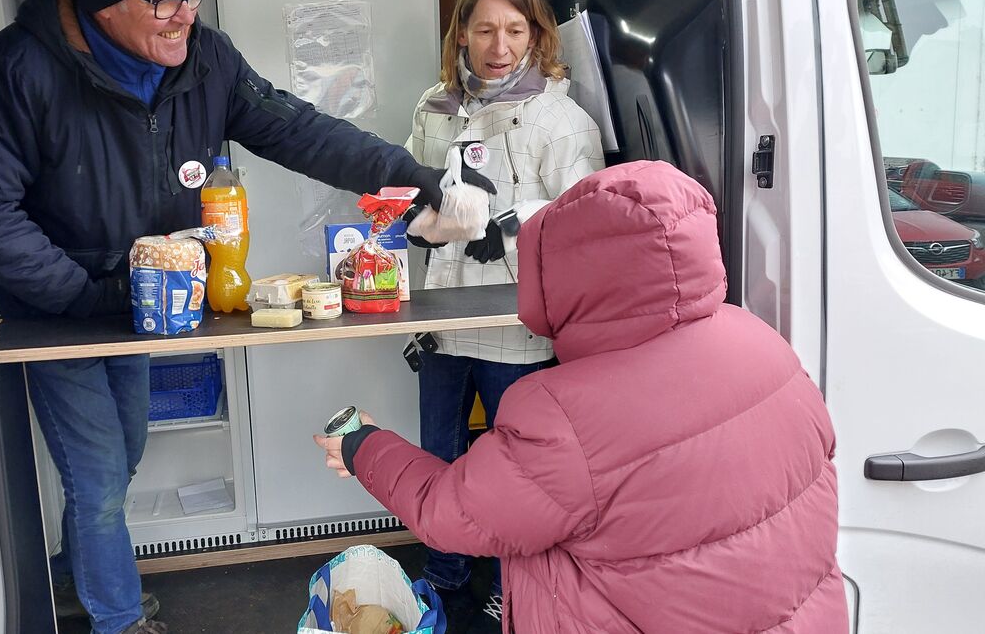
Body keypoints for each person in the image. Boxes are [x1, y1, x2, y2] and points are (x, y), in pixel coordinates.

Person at [0, 0, 492, 633]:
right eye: (164, 0)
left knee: (126, 448)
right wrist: (78, 294)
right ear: (102, 1)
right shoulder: (17, 71)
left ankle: (77, 574)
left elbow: (301, 131)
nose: (186, 13)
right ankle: (119, 617)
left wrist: (416, 184)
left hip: (142, 296)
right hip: (55, 307)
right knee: (100, 477)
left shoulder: (205, 59)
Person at [316, 161, 849, 633]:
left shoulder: (563, 414)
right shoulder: (765, 345)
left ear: (565, 273)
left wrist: (364, 446)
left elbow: (453, 512)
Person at [401, 0, 603, 625]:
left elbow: (583, 230)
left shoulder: (561, 120)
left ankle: (521, 584)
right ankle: (446, 571)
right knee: (439, 455)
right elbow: (404, 187)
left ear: (536, 32)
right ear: (461, 34)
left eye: (514, 30)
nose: (498, 48)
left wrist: (506, 232)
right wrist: (415, 221)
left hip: (518, 331)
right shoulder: (434, 108)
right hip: (440, 324)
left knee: (520, 471)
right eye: (484, 30)